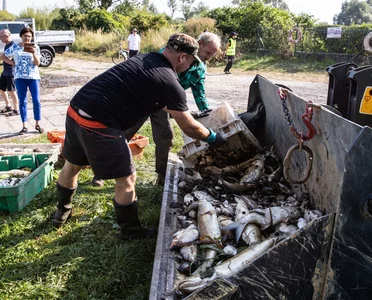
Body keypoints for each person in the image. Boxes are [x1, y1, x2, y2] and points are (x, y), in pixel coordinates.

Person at [52, 33, 226, 240]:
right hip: (99, 123)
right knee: (127, 178)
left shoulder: (144, 58)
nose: (190, 66)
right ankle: (131, 231)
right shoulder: (170, 81)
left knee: (72, 165)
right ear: (182, 58)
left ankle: (62, 211)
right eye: (190, 61)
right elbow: (190, 128)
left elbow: (148, 95)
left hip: (76, 109)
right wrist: (214, 137)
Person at [91, 31, 222, 187]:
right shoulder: (174, 51)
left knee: (165, 138)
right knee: (123, 134)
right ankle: (100, 172)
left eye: (212, 55)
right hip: (145, 98)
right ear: (199, 44)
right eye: (208, 52)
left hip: (166, 104)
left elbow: (199, 91)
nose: (209, 57)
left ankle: (162, 178)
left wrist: (206, 112)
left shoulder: (199, 68)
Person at [1, 27, 44, 135]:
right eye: (25, 36)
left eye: (29, 36)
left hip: (33, 77)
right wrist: (12, 63)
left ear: (31, 37)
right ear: (21, 36)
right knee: (23, 102)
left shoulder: (35, 47)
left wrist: (34, 53)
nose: (27, 38)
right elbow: (3, 56)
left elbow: (38, 63)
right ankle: (24, 126)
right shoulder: (15, 47)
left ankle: (37, 124)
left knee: (36, 101)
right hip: (20, 77)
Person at [0, 29, 19, 116]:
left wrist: (10, 62)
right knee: (1, 89)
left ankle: (16, 109)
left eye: (1, 37)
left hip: (11, 71)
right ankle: (8, 105)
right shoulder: (6, 45)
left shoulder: (13, 45)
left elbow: (9, 58)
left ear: (7, 36)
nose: (0, 39)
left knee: (11, 90)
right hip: (5, 71)